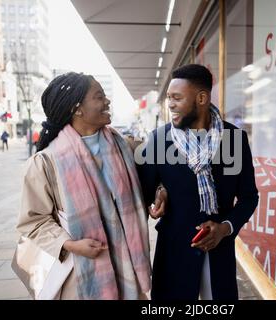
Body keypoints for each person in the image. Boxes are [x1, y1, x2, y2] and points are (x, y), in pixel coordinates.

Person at [16, 72, 162, 300]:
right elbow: (34, 221)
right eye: (99, 97)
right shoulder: (46, 163)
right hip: (82, 278)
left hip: (130, 275)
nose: (107, 101)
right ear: (77, 109)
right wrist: (71, 245)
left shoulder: (125, 146)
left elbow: (155, 175)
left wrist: (159, 192)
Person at [138, 64, 259, 300]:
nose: (170, 104)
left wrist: (224, 228)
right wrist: (160, 191)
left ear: (201, 98)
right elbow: (144, 192)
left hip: (219, 255)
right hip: (173, 255)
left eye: (177, 97)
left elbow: (249, 197)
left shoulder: (235, 140)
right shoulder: (157, 140)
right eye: (169, 98)